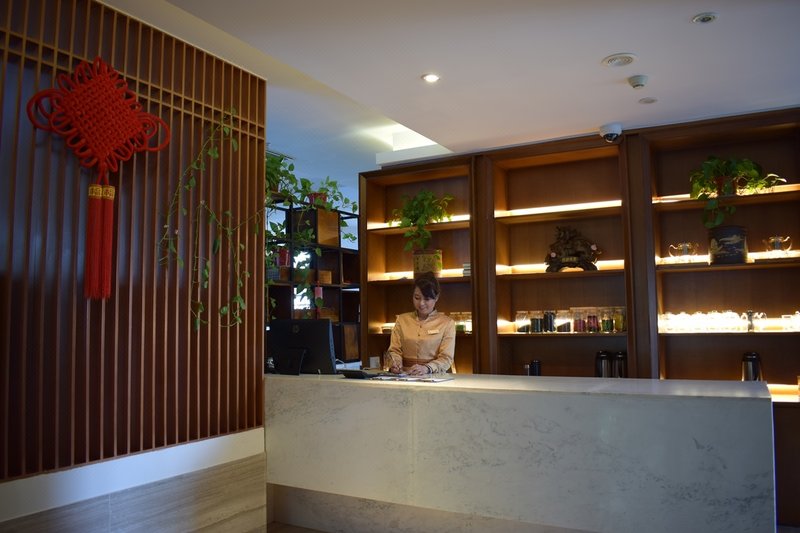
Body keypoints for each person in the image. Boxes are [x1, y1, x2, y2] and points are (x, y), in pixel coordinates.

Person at [385, 271, 455, 375]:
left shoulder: (447, 323)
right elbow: (394, 350)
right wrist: (395, 363)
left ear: (436, 297)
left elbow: (446, 358)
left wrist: (427, 368)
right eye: (417, 298)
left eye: (427, 299)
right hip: (404, 376)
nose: (421, 303)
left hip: (434, 377)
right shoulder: (401, 320)